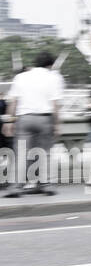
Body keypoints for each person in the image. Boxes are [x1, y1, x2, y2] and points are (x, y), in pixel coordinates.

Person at [3, 51, 64, 197]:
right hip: (45, 119)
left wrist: (9, 121)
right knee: (45, 153)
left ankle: (15, 187)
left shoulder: (21, 77)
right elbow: (55, 104)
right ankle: (46, 184)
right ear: (50, 64)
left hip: (24, 119)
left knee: (21, 154)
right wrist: (57, 124)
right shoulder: (54, 77)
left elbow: (13, 102)